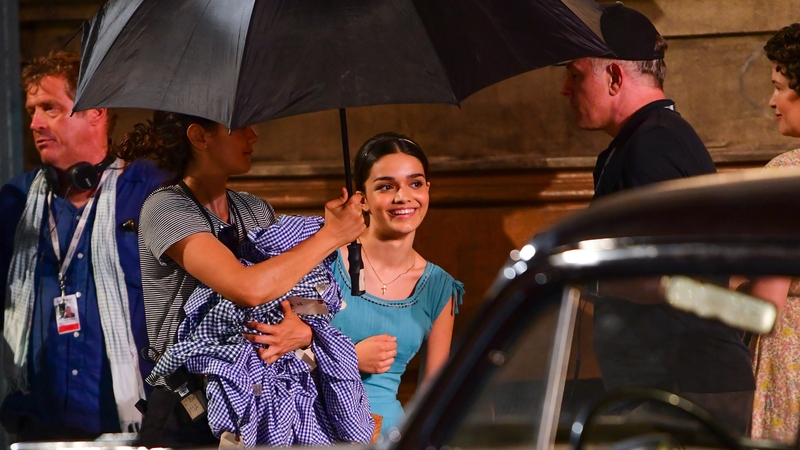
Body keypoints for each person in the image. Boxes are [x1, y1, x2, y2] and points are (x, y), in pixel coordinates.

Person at [559, 4, 755, 434]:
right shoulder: (641, 141)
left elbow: (674, 277)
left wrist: (578, 272)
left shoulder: (653, 146)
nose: (564, 89)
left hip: (683, 387)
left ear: (613, 77)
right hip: (668, 384)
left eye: (575, 75)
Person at [117, 111, 366, 447]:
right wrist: (329, 238)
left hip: (258, 398)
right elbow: (246, 288)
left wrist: (304, 332)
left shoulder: (255, 209)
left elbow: (298, 301)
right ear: (199, 137)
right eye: (239, 127)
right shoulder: (166, 208)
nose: (253, 136)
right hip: (191, 407)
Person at [0, 50, 169, 441]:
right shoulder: (15, 201)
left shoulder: (151, 193)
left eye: (50, 108)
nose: (36, 123)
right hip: (37, 428)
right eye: (31, 111)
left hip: (132, 428)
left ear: (97, 111)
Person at [329, 132, 464, 438]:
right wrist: (348, 357)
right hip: (316, 431)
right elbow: (279, 352)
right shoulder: (324, 263)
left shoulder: (439, 286)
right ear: (361, 199)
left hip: (389, 434)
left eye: (415, 183)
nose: (403, 196)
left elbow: (434, 396)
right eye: (386, 186)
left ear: (427, 189)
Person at [749, 22, 800, 445]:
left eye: (779, 87)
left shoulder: (786, 176)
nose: (771, 101)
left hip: (792, 357)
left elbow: (767, 304)